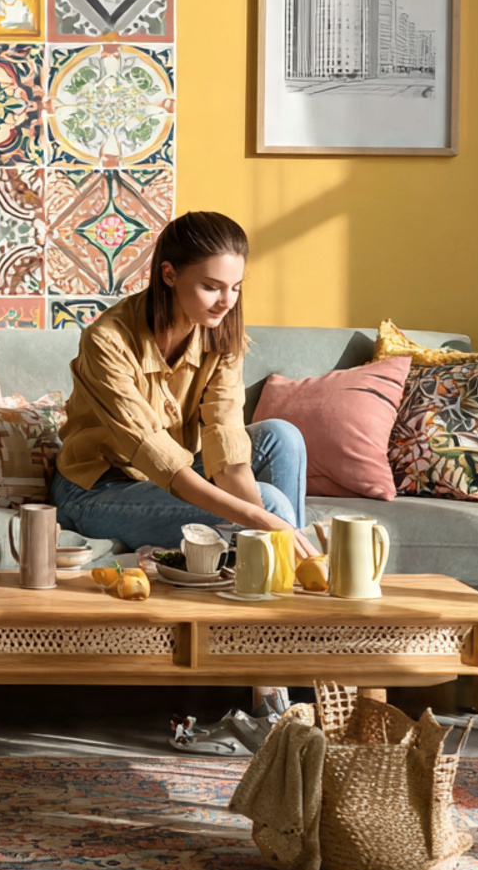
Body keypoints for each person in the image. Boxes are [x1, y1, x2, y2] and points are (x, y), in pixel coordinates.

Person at [49, 211, 312, 755]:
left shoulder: (223, 337)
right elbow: (167, 466)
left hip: (178, 476)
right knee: (269, 509)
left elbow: (227, 454)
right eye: (211, 286)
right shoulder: (107, 340)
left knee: (281, 438)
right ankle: (275, 696)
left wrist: (266, 522)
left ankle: (278, 638)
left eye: (235, 287)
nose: (226, 301)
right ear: (169, 275)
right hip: (99, 489)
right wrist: (266, 521)